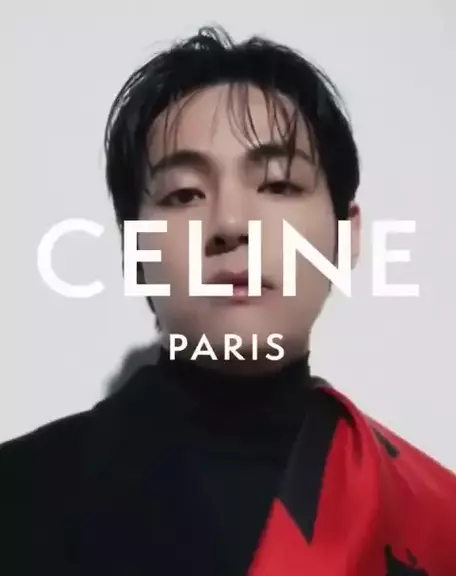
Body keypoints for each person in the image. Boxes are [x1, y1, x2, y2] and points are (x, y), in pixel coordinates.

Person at [0, 26, 455, 576]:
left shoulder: (436, 519)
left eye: (279, 185)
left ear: (346, 235)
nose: (231, 224)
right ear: (134, 249)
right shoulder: (18, 498)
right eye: (184, 194)